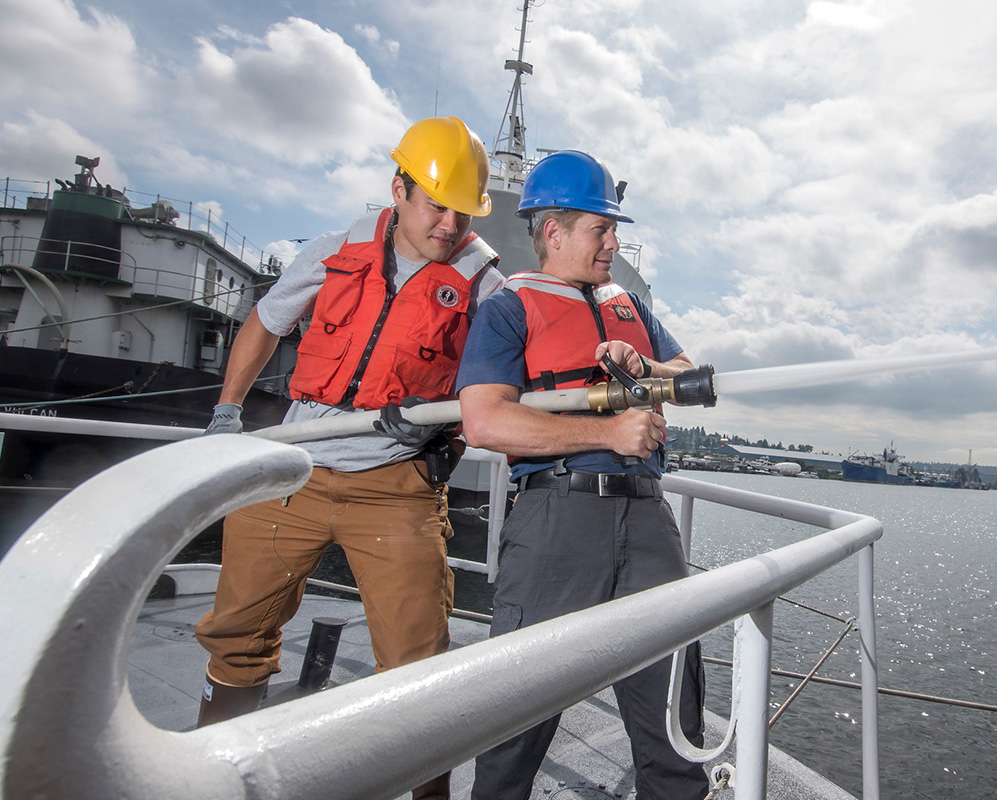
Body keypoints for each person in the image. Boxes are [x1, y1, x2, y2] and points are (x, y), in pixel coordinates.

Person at [194, 116, 503, 800]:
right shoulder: (333, 251)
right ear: (398, 189)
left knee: (416, 664)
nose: (449, 226)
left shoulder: (486, 288)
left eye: (462, 211)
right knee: (239, 632)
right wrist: (226, 414)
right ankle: (217, 779)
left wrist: (444, 434)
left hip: (395, 487)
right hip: (292, 468)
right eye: (435, 204)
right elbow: (267, 323)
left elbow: (498, 388)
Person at [457, 150, 710, 800]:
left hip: (648, 522)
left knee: (676, 725)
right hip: (556, 522)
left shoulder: (628, 304)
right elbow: (485, 421)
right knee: (513, 726)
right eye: (601, 228)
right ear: (554, 232)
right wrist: (607, 431)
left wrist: (641, 366)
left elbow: (686, 379)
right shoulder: (509, 307)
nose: (614, 242)